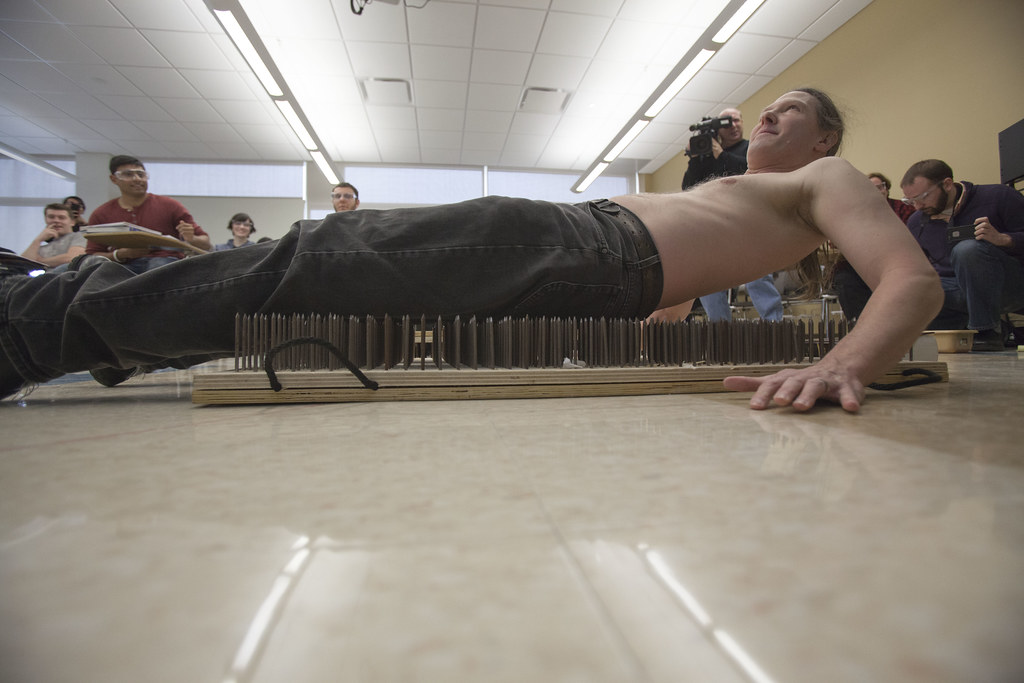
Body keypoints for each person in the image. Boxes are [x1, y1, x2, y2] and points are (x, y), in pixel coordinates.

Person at [0, 89, 943, 413]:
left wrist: (844, 364)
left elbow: (913, 281)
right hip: (591, 270)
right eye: (772, 107)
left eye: (799, 113)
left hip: (580, 246)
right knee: (308, 295)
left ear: (826, 141)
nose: (775, 112)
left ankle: (33, 329)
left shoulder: (830, 178)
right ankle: (56, 322)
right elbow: (677, 278)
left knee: (320, 258)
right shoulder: (737, 189)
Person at [900, 159, 1024, 351]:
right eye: (910, 201)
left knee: (967, 250)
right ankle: (944, 336)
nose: (917, 206)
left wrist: (1003, 239)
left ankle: (986, 331)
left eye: (922, 197)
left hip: (1007, 285)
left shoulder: (999, 196)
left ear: (947, 184)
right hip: (958, 289)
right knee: (910, 283)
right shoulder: (917, 222)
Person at [680, 107, 783, 323]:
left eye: (737, 120)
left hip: (748, 222)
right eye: (727, 123)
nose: (733, 125)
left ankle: (775, 325)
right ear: (718, 128)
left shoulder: (751, 148)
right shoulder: (706, 154)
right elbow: (688, 187)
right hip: (712, 226)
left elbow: (748, 173)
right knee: (709, 283)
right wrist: (695, 158)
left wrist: (720, 155)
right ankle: (721, 335)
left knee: (757, 277)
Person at [85, 155, 211, 274]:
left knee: (158, 267)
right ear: (114, 179)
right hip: (123, 265)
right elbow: (92, 256)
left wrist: (192, 238)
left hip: (165, 262)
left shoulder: (170, 205)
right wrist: (120, 254)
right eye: (128, 174)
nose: (137, 179)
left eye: (141, 174)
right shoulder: (102, 214)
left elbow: (206, 243)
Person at [833, 171, 917, 323]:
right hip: (864, 265)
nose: (876, 191)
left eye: (880, 187)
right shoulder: (853, 214)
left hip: (897, 262)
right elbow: (838, 241)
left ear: (886, 188)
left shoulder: (903, 208)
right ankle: (860, 325)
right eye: (870, 188)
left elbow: (911, 235)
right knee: (844, 278)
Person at [18, 203, 87, 271]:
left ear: (72, 222)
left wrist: (39, 261)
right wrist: (38, 240)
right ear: (46, 220)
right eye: (51, 217)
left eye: (61, 218)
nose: (56, 220)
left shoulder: (79, 236)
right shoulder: (41, 247)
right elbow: (22, 264)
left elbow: (73, 258)